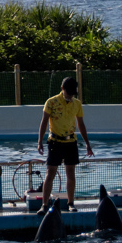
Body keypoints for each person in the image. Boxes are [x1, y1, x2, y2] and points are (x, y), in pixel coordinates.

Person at [37, 77, 93, 213]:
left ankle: (71, 203)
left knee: (71, 173)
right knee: (50, 173)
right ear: (62, 89)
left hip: (71, 142)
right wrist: (40, 141)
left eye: (73, 93)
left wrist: (87, 144)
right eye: (68, 92)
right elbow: (44, 122)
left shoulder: (77, 104)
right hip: (55, 141)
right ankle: (44, 205)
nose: (70, 96)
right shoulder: (51, 102)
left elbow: (81, 124)